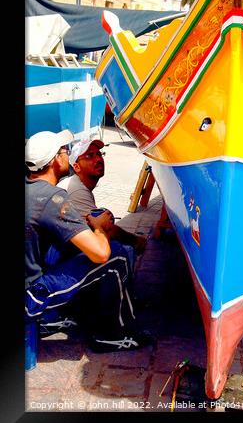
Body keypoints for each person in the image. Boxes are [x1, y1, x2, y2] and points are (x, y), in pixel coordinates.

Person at [25, 129, 153, 352]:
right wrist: (100, 228)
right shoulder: (52, 198)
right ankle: (112, 335)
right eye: (65, 151)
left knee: (72, 248)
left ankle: (63, 314)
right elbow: (100, 254)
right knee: (116, 256)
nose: (67, 154)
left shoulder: (31, 190)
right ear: (56, 160)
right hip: (30, 298)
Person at [60, 137, 147, 272]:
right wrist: (137, 241)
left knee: (103, 215)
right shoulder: (77, 189)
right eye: (89, 156)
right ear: (76, 167)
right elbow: (107, 229)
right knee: (121, 251)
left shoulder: (78, 184)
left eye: (99, 154)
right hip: (56, 257)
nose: (98, 159)